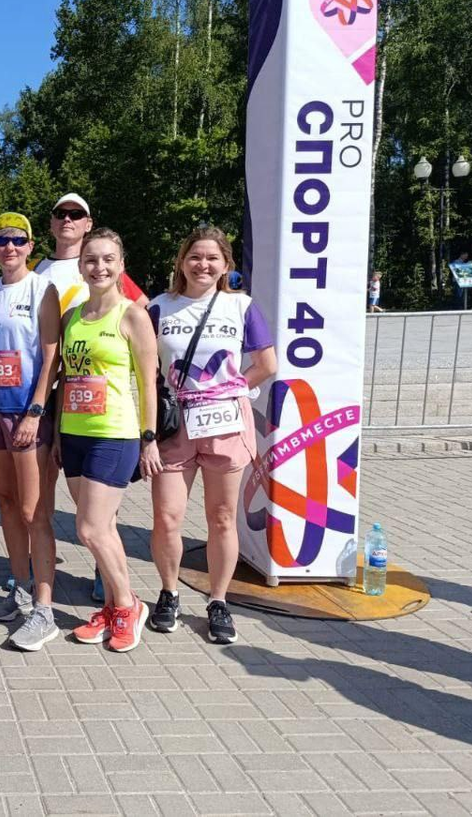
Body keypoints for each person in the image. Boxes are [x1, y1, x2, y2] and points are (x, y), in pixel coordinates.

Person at [148, 225, 276, 644]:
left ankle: (219, 600)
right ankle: (169, 592)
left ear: (225, 265)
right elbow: (144, 369)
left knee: (221, 517)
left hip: (224, 423)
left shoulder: (240, 306)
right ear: (182, 261)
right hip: (175, 425)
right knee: (167, 517)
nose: (202, 265)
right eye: (195, 256)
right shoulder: (159, 307)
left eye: (212, 258)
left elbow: (267, 364)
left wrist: (234, 389)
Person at [32, 192, 149, 605]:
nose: (67, 219)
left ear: (87, 222)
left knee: (97, 517)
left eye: (75, 214)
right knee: (78, 506)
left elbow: (139, 310)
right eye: (60, 213)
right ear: (51, 222)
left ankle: (114, 588)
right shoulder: (39, 270)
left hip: (108, 416)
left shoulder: (103, 259)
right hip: (65, 403)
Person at [57, 228, 160, 653]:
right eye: (91, 260)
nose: (98, 267)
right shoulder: (72, 317)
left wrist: (149, 438)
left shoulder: (132, 316)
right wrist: (57, 434)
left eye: (107, 259)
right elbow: (66, 379)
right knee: (104, 528)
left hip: (114, 435)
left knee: (89, 528)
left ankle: (128, 606)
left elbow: (148, 383)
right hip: (74, 433)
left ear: (121, 265)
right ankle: (114, 607)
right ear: (81, 267)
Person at [0, 213, 62, 652]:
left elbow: (51, 354)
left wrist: (36, 411)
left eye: (18, 240)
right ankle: (21, 588)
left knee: (34, 511)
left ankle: (45, 609)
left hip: (26, 413)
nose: (10, 247)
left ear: (30, 246)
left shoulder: (42, 289)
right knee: (7, 504)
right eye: (2, 239)